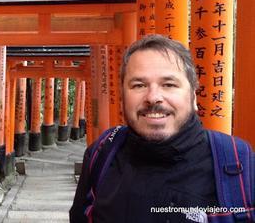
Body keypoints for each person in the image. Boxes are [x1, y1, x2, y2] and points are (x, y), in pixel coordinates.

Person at [70, 34, 254, 222]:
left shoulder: (241, 165)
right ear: (122, 98)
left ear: (193, 97)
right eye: (139, 85)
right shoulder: (102, 153)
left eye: (168, 84)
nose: (153, 97)